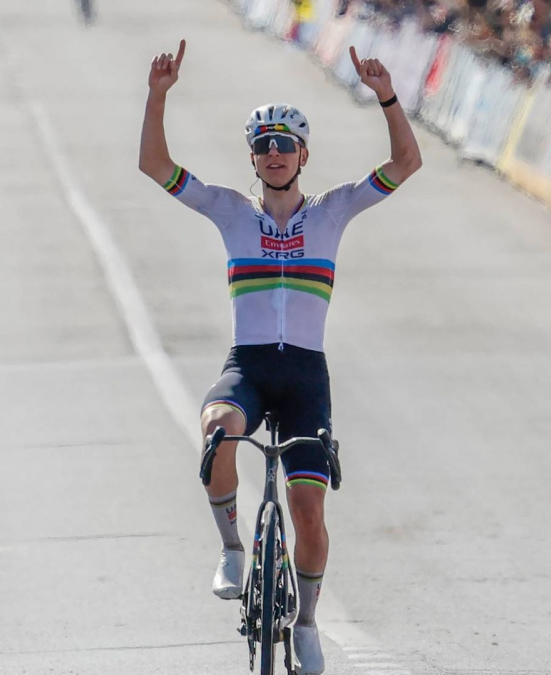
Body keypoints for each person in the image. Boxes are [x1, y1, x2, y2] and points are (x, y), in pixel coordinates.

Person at [137, 39, 422, 673]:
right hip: (249, 367)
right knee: (216, 431)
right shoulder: (230, 212)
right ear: (253, 157)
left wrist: (388, 97)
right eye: (262, 145)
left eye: (284, 144)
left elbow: (407, 161)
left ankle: (308, 623)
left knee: (309, 509)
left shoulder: (333, 210)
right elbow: (154, 165)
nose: (273, 153)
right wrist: (158, 97)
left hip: (304, 378)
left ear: (303, 155)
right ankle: (233, 548)